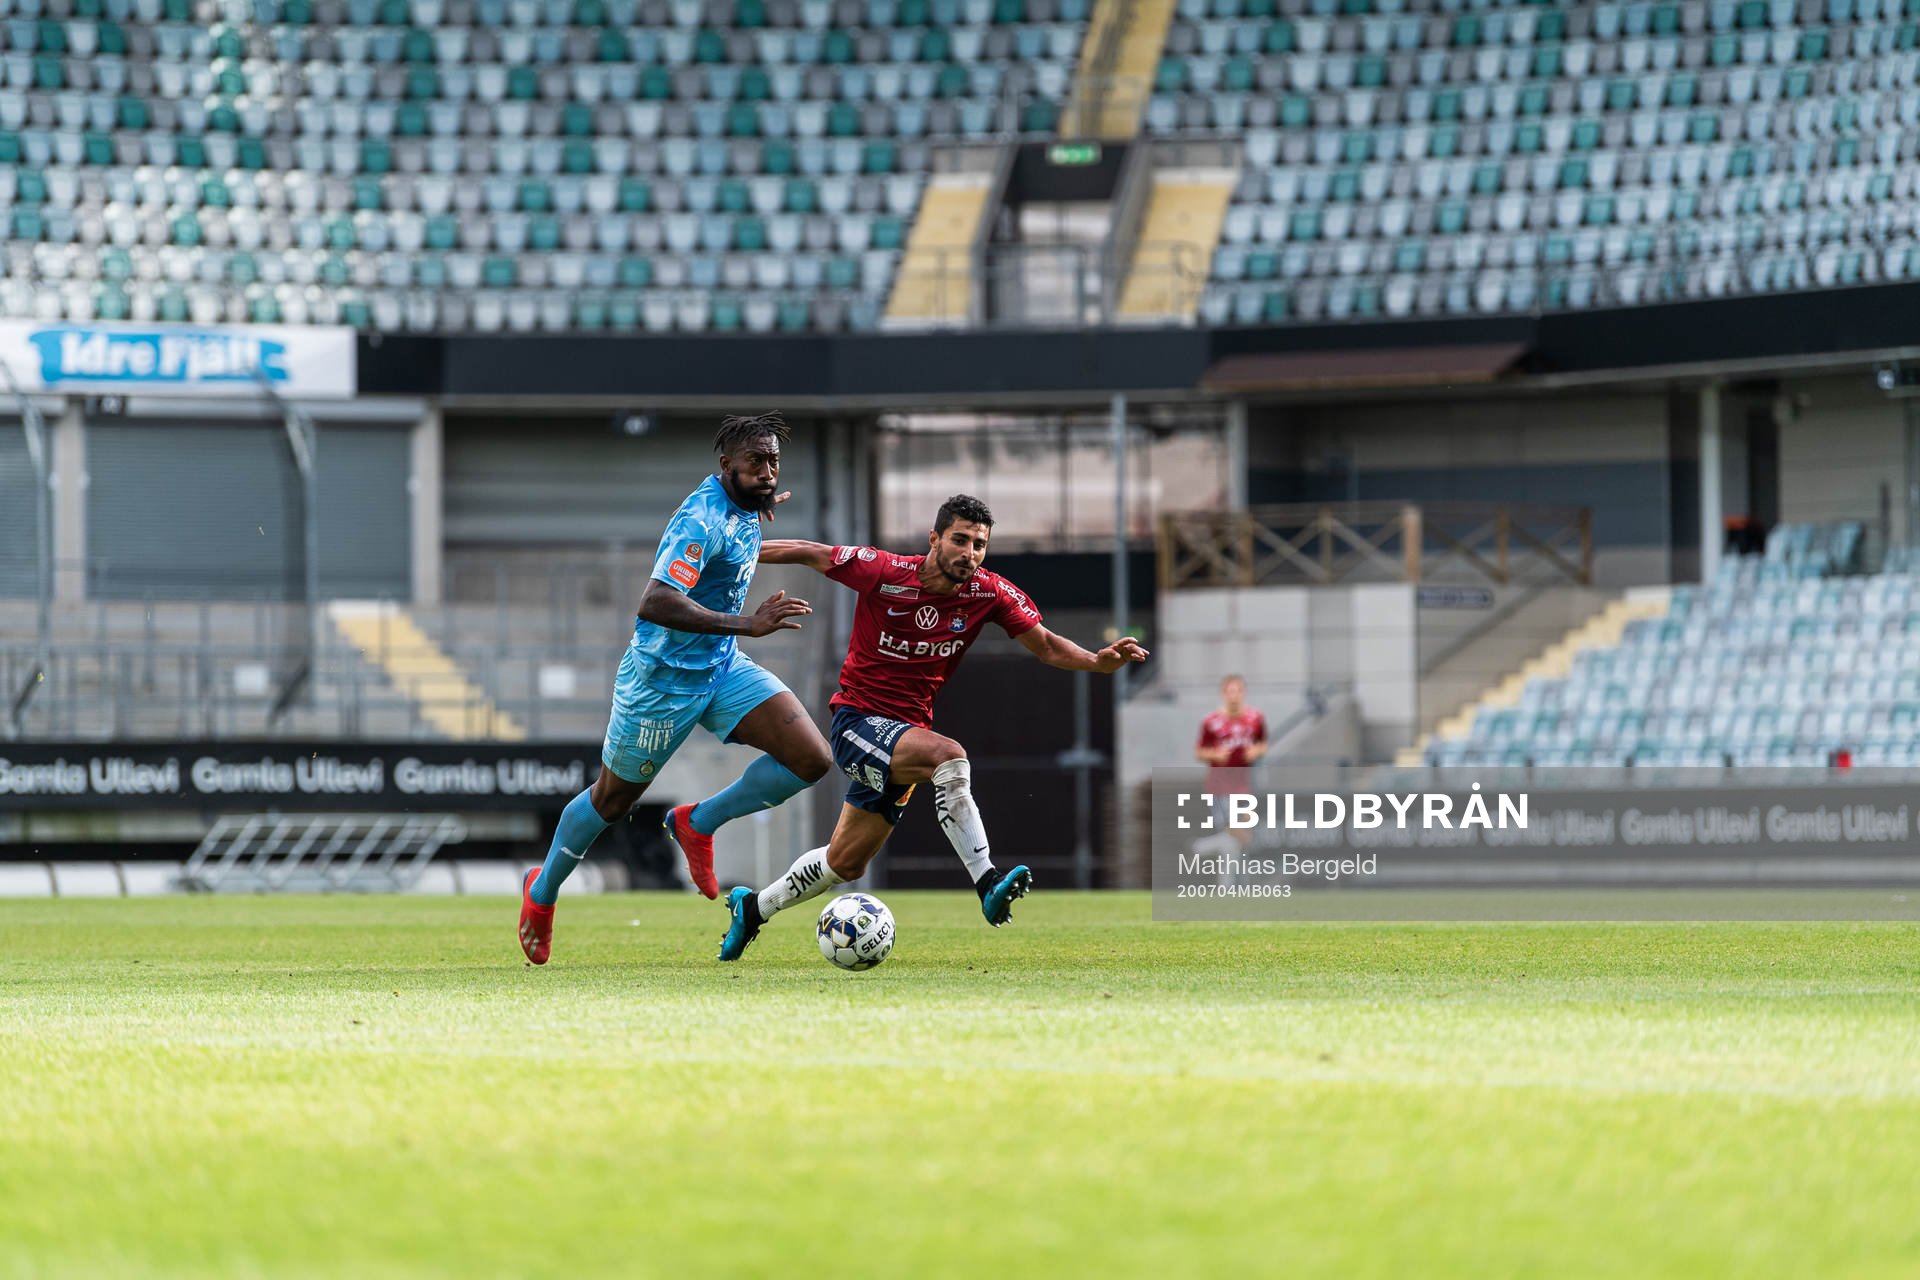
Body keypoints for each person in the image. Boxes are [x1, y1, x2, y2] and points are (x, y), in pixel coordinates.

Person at [706, 493, 1150, 961]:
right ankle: (988, 882)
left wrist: (1097, 662)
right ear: (934, 539)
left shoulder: (989, 592)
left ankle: (752, 908)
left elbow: (1046, 646)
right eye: (960, 540)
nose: (970, 554)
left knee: (845, 861)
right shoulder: (885, 571)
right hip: (858, 723)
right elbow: (810, 551)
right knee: (949, 756)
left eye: (980, 545)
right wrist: (730, 550)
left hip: (903, 737)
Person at [517, 412, 833, 964]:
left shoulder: (744, 506)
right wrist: (748, 624)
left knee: (811, 758)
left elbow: (736, 543)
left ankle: (697, 821)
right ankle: (541, 894)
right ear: (725, 465)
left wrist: (757, 507)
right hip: (661, 682)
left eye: (773, 461)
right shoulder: (701, 519)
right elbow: (655, 602)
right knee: (612, 801)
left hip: (722, 669)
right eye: (755, 462)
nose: (767, 471)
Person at [1190, 675, 1268, 873]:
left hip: (1244, 786)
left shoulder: (1255, 718)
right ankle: (1238, 876)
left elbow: (1263, 744)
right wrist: (1214, 754)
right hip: (1219, 786)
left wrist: (1257, 752)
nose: (1234, 696)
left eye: (1238, 691)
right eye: (1230, 691)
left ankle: (1202, 850)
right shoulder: (1212, 721)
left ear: (1244, 693)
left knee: (1239, 834)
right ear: (1223, 694)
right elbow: (1199, 752)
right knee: (1237, 834)